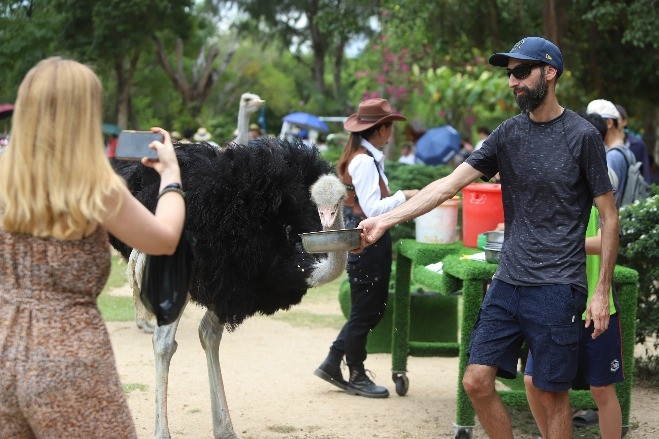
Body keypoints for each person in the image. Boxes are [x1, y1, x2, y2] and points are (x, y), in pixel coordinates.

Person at [354, 37, 618, 437]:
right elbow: (445, 186)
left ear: (550, 72)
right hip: (509, 281)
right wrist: (385, 221)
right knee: (475, 381)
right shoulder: (507, 134)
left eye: (520, 71)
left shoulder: (582, 136)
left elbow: (610, 218)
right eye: (508, 73)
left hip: (558, 286)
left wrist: (601, 291)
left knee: (551, 395)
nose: (512, 81)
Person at [0, 57, 186, 438]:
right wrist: (170, 176)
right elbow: (164, 238)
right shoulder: (93, 187)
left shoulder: (5, 179)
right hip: (68, 355)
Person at [525, 113, 624, 439]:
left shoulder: (599, 180)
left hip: (596, 305)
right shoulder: (553, 180)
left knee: (601, 390)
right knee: (532, 381)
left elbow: (606, 236)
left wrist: (564, 241)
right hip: (553, 303)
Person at [313, 98, 418, 398]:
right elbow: (372, 208)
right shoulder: (363, 161)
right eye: (390, 127)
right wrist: (405, 196)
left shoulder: (365, 158)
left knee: (367, 310)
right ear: (381, 129)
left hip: (367, 241)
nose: (392, 133)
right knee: (366, 312)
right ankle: (355, 373)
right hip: (366, 241)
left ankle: (333, 362)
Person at [587, 99, 636, 208]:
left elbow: (607, 199)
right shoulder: (625, 150)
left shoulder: (612, 156)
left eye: (595, 120)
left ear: (609, 123)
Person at [615, 103, 651, 183]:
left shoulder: (638, 145)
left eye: (616, 119)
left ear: (624, 121)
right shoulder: (603, 144)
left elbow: (645, 173)